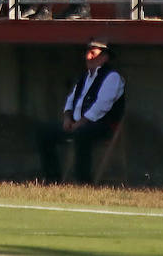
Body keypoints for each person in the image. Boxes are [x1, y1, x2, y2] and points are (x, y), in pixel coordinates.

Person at [35, 38, 125, 183]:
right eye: (87, 53)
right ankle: (52, 178)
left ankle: (83, 181)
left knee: (82, 135)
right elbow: (70, 100)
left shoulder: (112, 77)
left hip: (102, 125)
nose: (88, 57)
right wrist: (67, 119)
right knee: (44, 132)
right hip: (78, 123)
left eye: (93, 53)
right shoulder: (84, 77)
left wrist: (80, 123)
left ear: (104, 57)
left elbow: (101, 106)